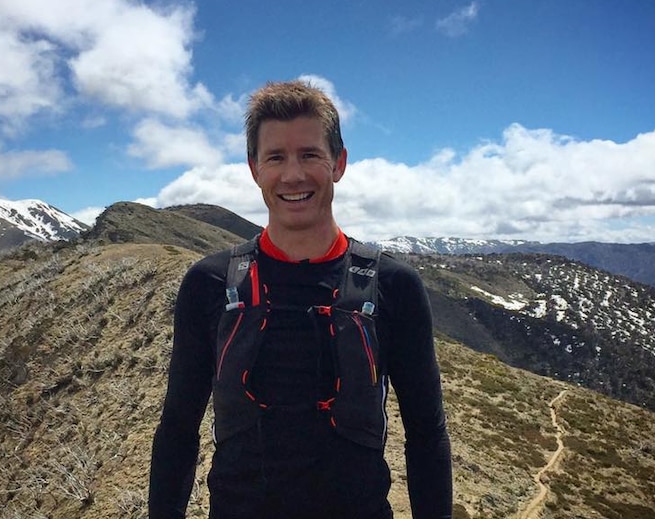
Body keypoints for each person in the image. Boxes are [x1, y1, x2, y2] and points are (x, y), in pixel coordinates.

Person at [148, 80, 452, 519]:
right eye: (276, 157)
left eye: (309, 154)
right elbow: (178, 426)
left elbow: (427, 433)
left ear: (338, 163)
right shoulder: (208, 282)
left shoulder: (395, 285)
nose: (293, 175)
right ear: (254, 168)